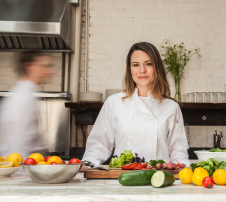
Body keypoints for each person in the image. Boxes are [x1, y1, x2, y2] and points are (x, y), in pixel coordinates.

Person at [81, 42, 190, 171]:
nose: (142, 70)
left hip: (159, 180)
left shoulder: (171, 107)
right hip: (124, 179)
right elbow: (99, 143)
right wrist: (87, 163)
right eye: (135, 65)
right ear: (130, 69)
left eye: (148, 64)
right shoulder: (114, 102)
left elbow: (178, 150)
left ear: (157, 68)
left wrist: (186, 171)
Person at [0, 51, 54, 159]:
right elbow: (17, 146)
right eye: (44, 66)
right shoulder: (22, 98)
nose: (50, 71)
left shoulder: (25, 95)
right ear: (29, 67)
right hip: (20, 170)